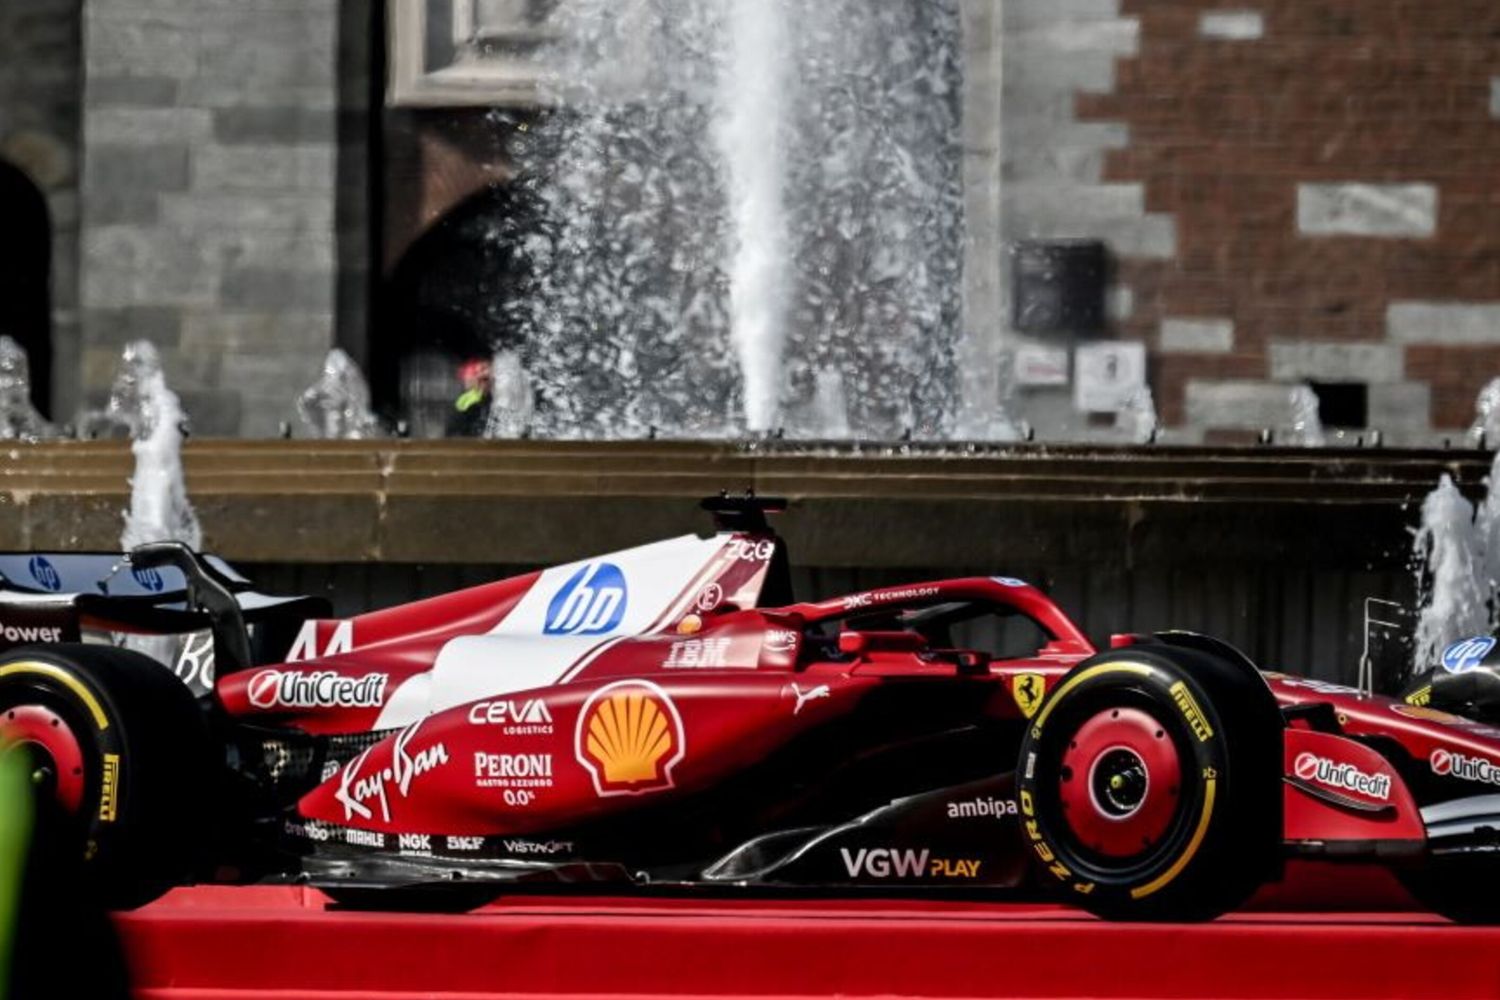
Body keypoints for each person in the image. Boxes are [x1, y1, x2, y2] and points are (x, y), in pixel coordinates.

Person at [446, 359, 492, 437]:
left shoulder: (502, 399)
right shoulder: (464, 400)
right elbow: (452, 430)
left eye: (484, 369)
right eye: (476, 373)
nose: (480, 374)